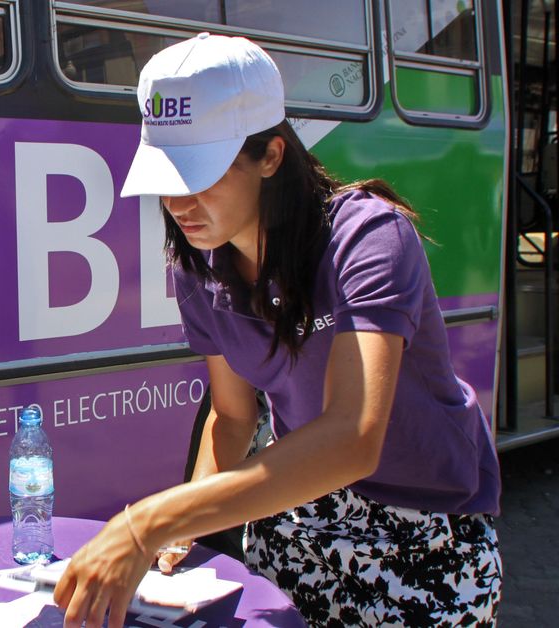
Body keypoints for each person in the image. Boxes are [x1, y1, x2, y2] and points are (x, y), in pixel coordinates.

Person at [54, 33, 502, 627]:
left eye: (199, 175)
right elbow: (233, 416)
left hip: (421, 539)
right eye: (166, 177)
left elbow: (352, 438)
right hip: (295, 527)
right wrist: (184, 532)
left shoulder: (369, 238)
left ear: (271, 155)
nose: (178, 203)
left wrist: (149, 523)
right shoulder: (198, 267)